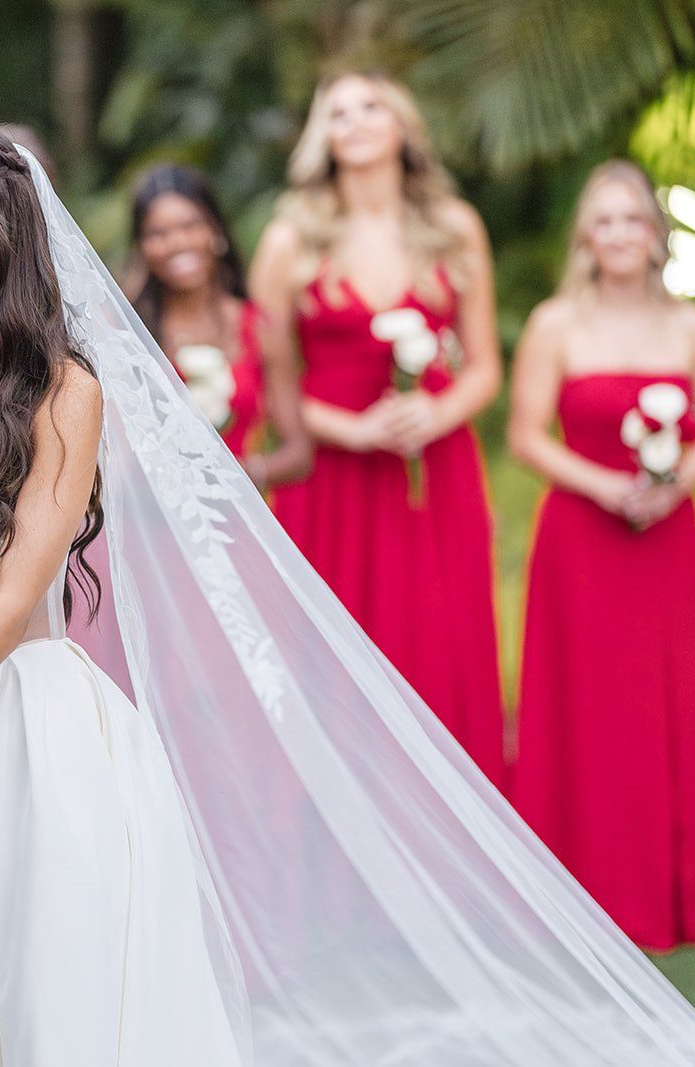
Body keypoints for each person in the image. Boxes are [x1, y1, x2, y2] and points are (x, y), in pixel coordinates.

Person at [0, 123, 695, 1066]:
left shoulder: (64, 393)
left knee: (32, 984)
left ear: (9, 237)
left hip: (17, 725)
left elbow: (15, 594)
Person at [508, 160, 695, 951]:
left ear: (656, 236)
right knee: (586, 707)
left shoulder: (692, 328)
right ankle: (582, 895)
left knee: (668, 701)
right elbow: (525, 436)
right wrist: (608, 488)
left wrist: (675, 483)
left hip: (666, 538)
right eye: (603, 220)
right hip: (581, 539)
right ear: (586, 236)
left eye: (632, 220)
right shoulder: (555, 324)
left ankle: (676, 894)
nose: (618, 234)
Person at [249, 71, 505, 784]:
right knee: (333, 660)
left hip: (436, 479)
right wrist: (351, 431)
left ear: (402, 127)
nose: (356, 122)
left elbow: (485, 365)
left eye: (371, 107)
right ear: (322, 138)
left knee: (439, 644)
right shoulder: (290, 239)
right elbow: (266, 380)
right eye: (338, 112)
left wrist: (438, 412)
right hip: (331, 481)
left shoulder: (454, 229)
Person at [128, 163, 310, 484]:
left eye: (190, 225)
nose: (178, 242)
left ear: (215, 230)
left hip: (242, 515)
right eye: (158, 233)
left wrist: (234, 476)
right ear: (142, 246)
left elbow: (298, 454)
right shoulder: (129, 333)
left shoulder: (260, 326)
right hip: (154, 516)